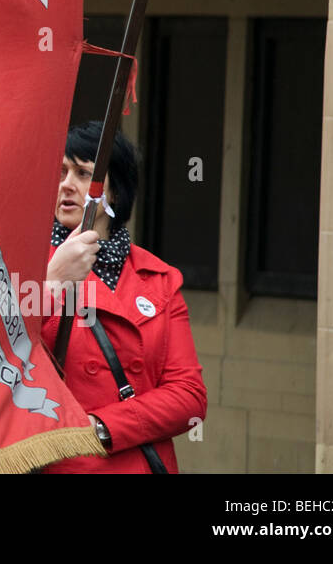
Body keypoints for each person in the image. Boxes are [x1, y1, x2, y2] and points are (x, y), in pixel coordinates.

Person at [40, 121, 206, 473]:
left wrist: (101, 428)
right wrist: (52, 280)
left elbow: (189, 398)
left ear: (114, 194)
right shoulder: (21, 265)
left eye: (83, 174)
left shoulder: (160, 278)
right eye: (60, 172)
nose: (66, 184)